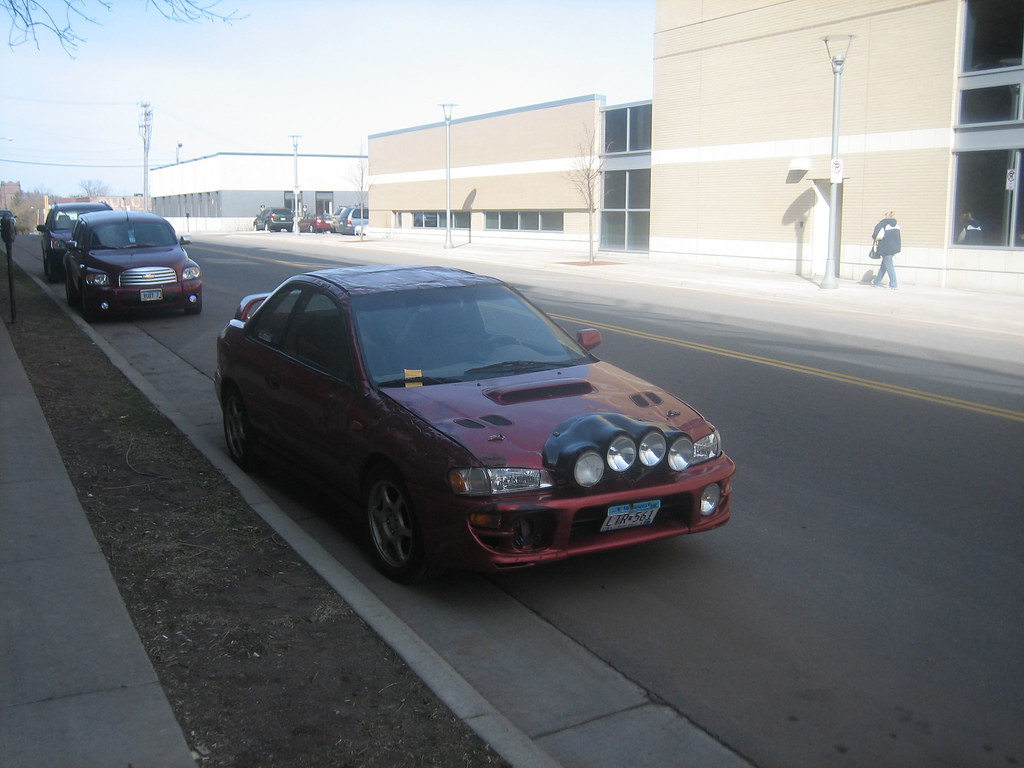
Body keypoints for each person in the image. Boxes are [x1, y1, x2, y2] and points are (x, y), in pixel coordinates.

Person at [871, 211, 901, 290]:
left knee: (889, 266)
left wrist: (878, 224)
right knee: (884, 265)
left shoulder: (883, 224)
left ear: (885, 216)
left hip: (886, 248)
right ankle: (877, 281)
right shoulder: (896, 225)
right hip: (894, 248)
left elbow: (875, 235)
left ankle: (893, 284)